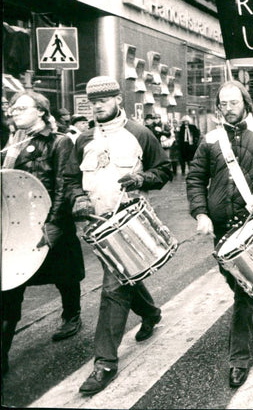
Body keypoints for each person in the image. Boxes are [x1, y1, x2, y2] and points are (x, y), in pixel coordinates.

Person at [63, 76, 172, 395]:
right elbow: (70, 179)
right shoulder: (82, 139)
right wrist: (78, 199)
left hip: (129, 223)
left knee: (112, 288)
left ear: (118, 100)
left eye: (104, 100)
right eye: (93, 101)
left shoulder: (140, 133)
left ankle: (105, 363)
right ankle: (151, 312)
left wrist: (141, 179)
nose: (97, 106)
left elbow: (164, 170)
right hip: (95, 226)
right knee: (125, 279)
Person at [186, 81, 253, 389]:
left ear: (245, 102)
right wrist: (201, 212)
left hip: (251, 222)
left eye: (233, 102)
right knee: (234, 280)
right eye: (223, 103)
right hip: (220, 225)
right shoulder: (210, 140)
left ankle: (239, 360)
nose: (228, 108)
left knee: (243, 289)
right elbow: (195, 178)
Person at [1, 92, 84, 376]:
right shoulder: (12, 143)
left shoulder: (59, 142)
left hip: (51, 219)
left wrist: (55, 225)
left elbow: (65, 182)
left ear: (41, 111)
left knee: (65, 275)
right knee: (10, 285)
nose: (14, 112)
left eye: (21, 108)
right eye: (13, 108)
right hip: (17, 227)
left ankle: (71, 314)